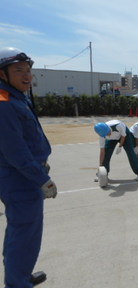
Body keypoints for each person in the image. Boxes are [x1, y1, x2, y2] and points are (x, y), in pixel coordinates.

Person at [0, 47, 57, 288]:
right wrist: (41, 178)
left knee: (20, 231)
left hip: (23, 175)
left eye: (28, 70)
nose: (27, 75)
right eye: (19, 70)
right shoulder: (3, 103)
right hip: (20, 178)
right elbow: (16, 151)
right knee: (25, 234)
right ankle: (17, 283)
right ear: (3, 74)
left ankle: (19, 275)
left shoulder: (14, 96)